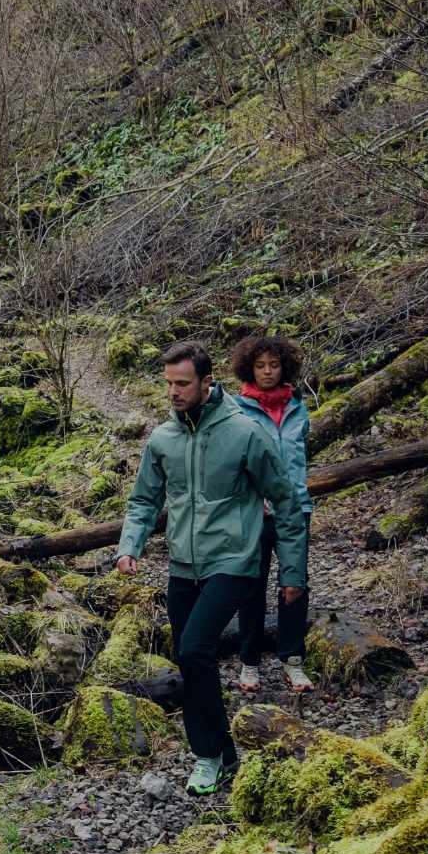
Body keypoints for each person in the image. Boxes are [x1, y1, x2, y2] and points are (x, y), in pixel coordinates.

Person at [116, 340, 307, 797]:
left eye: (183, 384)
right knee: (189, 657)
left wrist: (292, 573)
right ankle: (224, 755)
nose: (174, 392)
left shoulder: (244, 433)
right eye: (168, 384)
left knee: (197, 648)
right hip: (183, 563)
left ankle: (207, 755)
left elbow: (285, 500)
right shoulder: (163, 438)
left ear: (206, 382)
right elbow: (144, 499)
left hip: (235, 559)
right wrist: (130, 546)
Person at [228, 334, 315, 695]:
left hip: (295, 508)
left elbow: (300, 454)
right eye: (260, 365)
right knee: (252, 585)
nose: (267, 371)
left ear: (285, 367)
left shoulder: (297, 407)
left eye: (274, 365)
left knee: (295, 585)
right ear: (249, 368)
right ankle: (249, 662)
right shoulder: (236, 409)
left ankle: (292, 660)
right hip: (255, 511)